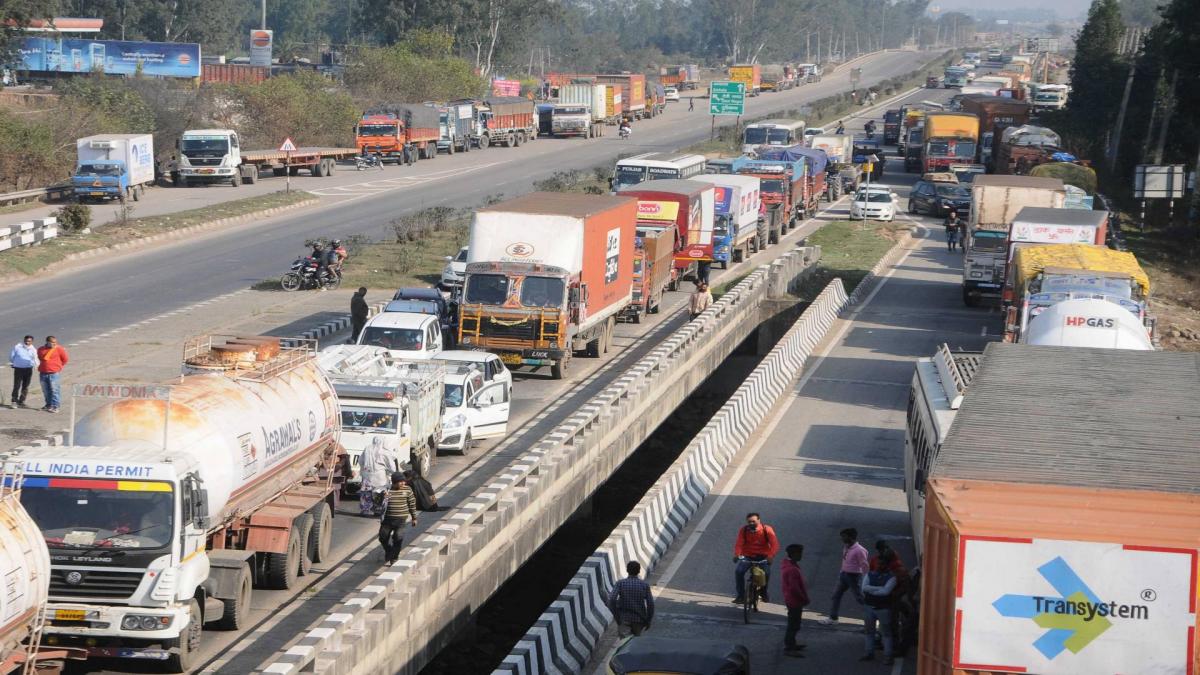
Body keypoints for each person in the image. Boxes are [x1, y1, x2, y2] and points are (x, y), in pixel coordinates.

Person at [820, 527, 868, 625]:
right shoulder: (846, 546)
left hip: (853, 577)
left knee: (860, 598)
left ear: (851, 537)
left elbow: (864, 566)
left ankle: (870, 619)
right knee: (836, 596)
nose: (842, 539)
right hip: (844, 575)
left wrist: (865, 580)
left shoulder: (859, 550)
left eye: (844, 537)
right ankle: (833, 618)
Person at [861, 549, 898, 665]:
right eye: (878, 563)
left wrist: (872, 589)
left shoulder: (892, 577)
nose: (879, 565)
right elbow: (864, 588)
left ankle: (887, 656)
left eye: (882, 564)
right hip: (874, 607)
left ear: (887, 565)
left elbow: (885, 592)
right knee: (870, 631)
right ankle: (869, 652)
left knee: (885, 633)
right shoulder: (875, 575)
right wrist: (879, 589)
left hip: (881, 608)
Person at [732, 512, 779, 604]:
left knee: (766, 573)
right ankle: (741, 596)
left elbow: (775, 544)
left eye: (753, 521)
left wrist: (770, 556)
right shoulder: (744, 530)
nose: (751, 524)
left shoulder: (767, 529)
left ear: (759, 520)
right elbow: (739, 543)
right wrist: (737, 554)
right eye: (749, 522)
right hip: (748, 557)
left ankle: (764, 592)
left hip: (763, 557)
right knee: (739, 572)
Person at [378, 471, 418, 564]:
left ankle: (394, 557)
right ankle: (389, 550)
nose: (403, 483)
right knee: (383, 538)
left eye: (404, 481)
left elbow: (412, 503)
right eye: (400, 482)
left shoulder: (407, 489)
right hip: (387, 520)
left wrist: (414, 518)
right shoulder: (386, 490)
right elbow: (377, 503)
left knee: (398, 538)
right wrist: (382, 497)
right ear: (394, 482)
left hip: (401, 520)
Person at [607, 560, 655, 637]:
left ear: (627, 570)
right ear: (639, 571)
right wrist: (648, 620)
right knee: (635, 645)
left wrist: (617, 616)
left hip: (624, 619)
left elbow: (612, 599)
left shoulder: (620, 583)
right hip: (639, 620)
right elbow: (650, 604)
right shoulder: (644, 585)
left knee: (624, 645)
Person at [781, 544, 810, 657]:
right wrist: (804, 598)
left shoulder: (788, 565)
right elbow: (794, 588)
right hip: (795, 601)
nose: (801, 556)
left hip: (791, 600)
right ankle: (789, 647)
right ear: (794, 554)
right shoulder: (792, 569)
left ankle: (792, 644)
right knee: (793, 625)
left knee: (794, 624)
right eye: (800, 553)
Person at [358, 436, 393, 517]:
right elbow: (392, 466)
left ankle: (365, 510)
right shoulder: (385, 452)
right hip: (380, 476)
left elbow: (360, 461)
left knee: (366, 493)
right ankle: (378, 510)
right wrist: (390, 472)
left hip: (367, 475)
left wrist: (364, 469)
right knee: (380, 493)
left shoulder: (367, 449)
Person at [36, 336, 67, 413]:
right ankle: (48, 405)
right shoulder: (41, 349)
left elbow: (65, 359)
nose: (54, 344)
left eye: (55, 342)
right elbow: (40, 358)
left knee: (55, 390)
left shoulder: (59, 349)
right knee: (46, 390)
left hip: (54, 373)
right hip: (43, 373)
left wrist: (58, 367)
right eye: (52, 342)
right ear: (47, 342)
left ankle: (55, 406)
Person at [10, 335, 37, 408]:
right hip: (18, 369)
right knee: (17, 385)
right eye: (26, 340)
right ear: (24, 340)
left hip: (28, 369)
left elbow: (35, 359)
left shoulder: (33, 349)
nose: (27, 342)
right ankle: (14, 401)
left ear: (32, 342)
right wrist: (14, 363)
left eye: (29, 341)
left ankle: (21, 401)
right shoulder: (18, 347)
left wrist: (37, 366)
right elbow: (12, 356)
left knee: (25, 386)